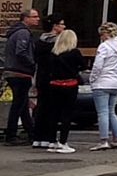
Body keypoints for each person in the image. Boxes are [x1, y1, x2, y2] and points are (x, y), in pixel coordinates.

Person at [34, 24, 82, 154]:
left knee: (53, 113)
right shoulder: (75, 53)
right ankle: (63, 142)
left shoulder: (54, 53)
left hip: (54, 85)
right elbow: (82, 66)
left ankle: (52, 141)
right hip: (69, 85)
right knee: (67, 114)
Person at [3, 8, 41, 146]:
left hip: (14, 71)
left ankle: (30, 132)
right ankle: (11, 135)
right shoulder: (23, 33)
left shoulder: (16, 32)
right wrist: (32, 63)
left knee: (23, 104)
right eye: (34, 16)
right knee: (18, 104)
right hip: (20, 72)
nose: (37, 19)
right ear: (26, 18)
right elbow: (21, 52)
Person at [89, 22, 117, 151]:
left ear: (106, 33)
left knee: (102, 113)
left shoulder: (104, 47)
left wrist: (92, 79)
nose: (101, 37)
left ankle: (103, 140)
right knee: (111, 112)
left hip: (102, 82)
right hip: (116, 82)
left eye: (101, 34)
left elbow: (98, 66)